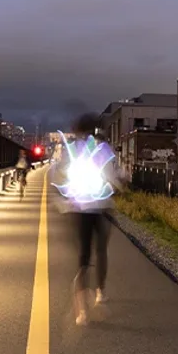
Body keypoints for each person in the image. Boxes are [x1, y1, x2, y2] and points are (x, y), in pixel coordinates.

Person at [51, 113, 122, 326]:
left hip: (79, 209)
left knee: (83, 257)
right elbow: (112, 177)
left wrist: (64, 198)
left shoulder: (72, 150)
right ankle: (100, 291)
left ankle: (81, 311)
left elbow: (59, 174)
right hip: (101, 208)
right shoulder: (103, 149)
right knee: (101, 250)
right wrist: (119, 187)